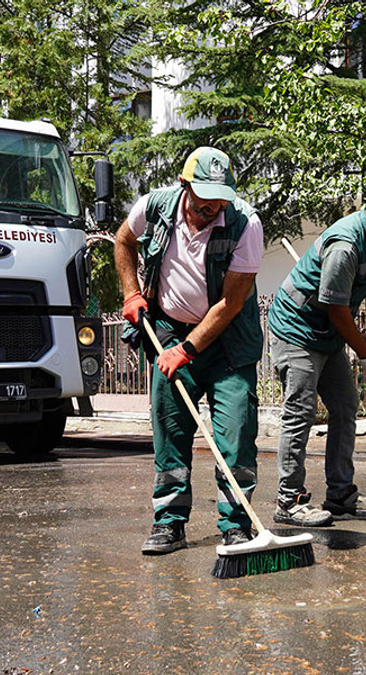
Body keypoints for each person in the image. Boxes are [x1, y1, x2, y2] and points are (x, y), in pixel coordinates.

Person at [114, 147, 265, 554]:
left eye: (219, 199)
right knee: (171, 433)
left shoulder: (245, 224)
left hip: (227, 344)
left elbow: (230, 304)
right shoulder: (154, 206)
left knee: (235, 434)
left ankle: (236, 525)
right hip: (167, 332)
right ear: (184, 186)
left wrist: (188, 349)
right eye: (203, 201)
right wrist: (131, 294)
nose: (211, 208)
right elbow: (123, 241)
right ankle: (169, 524)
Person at [267, 179, 366, 527]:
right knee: (300, 412)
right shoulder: (346, 245)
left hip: (326, 333)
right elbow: (337, 308)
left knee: (344, 406)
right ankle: (288, 501)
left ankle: (339, 495)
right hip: (296, 331)